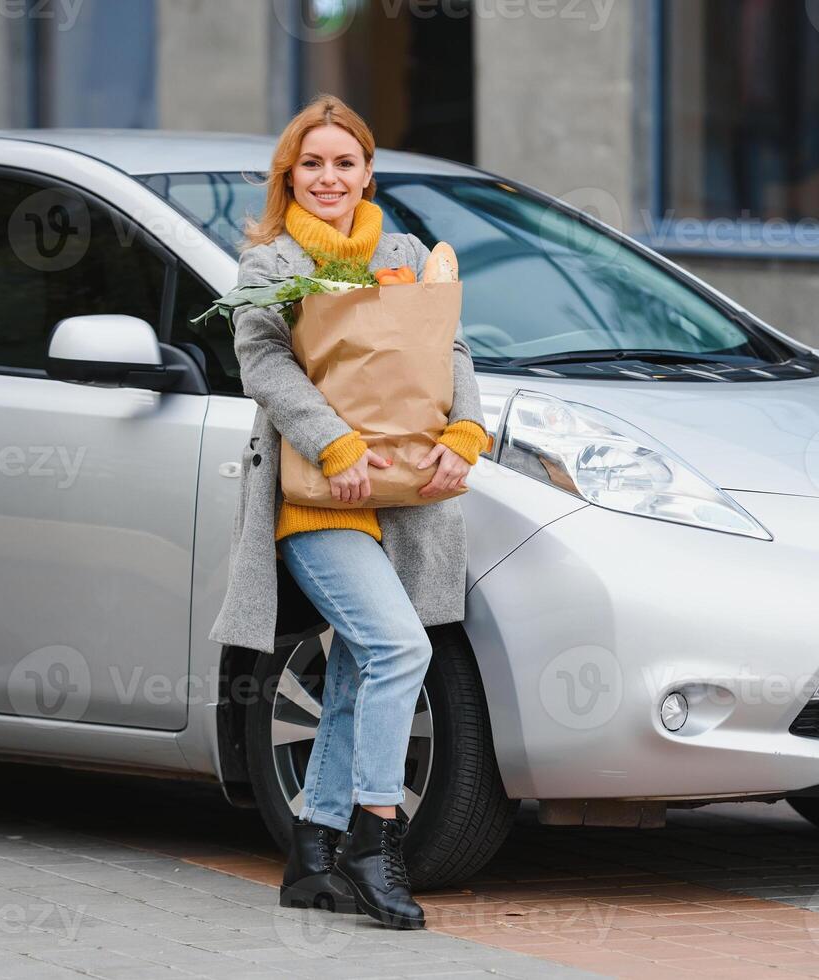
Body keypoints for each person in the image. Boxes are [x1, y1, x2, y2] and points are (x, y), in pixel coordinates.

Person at [206, 94, 491, 930]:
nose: (328, 177)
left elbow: (452, 349)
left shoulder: (404, 253)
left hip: (402, 493)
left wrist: (465, 433)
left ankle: (313, 853)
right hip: (317, 495)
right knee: (400, 647)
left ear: (368, 171)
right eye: (312, 163)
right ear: (289, 174)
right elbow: (263, 365)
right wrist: (334, 445)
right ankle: (376, 838)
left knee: (361, 667)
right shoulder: (269, 263)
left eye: (344, 162)